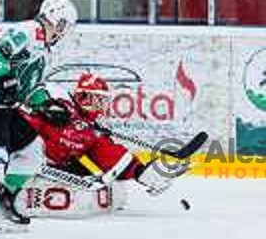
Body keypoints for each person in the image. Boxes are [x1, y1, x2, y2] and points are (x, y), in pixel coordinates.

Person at [0, 0, 78, 238]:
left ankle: (4, 202)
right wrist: (4, 78)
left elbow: (31, 88)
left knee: (32, 150)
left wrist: (47, 106)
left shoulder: (45, 51)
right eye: (62, 24)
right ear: (52, 17)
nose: (63, 31)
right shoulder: (29, 31)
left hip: (4, 109)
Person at [21, 72, 180, 196]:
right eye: (99, 99)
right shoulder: (60, 104)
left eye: (103, 100)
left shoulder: (91, 129)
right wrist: (44, 107)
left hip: (55, 168)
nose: (102, 105)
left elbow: (108, 153)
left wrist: (140, 171)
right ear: (84, 97)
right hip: (26, 161)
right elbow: (33, 103)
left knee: (92, 169)